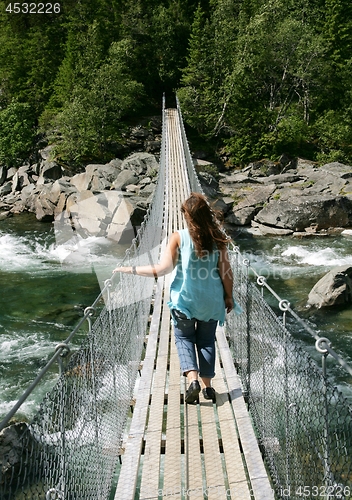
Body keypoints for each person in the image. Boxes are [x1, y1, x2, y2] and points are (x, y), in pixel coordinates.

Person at [113, 192, 234, 404]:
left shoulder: (178, 236)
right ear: (207, 214)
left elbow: (162, 269)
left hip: (184, 301)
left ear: (188, 217)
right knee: (207, 341)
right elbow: (226, 273)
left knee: (184, 338)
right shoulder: (218, 238)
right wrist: (229, 297)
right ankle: (208, 388)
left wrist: (130, 268)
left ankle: (193, 380)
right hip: (211, 302)